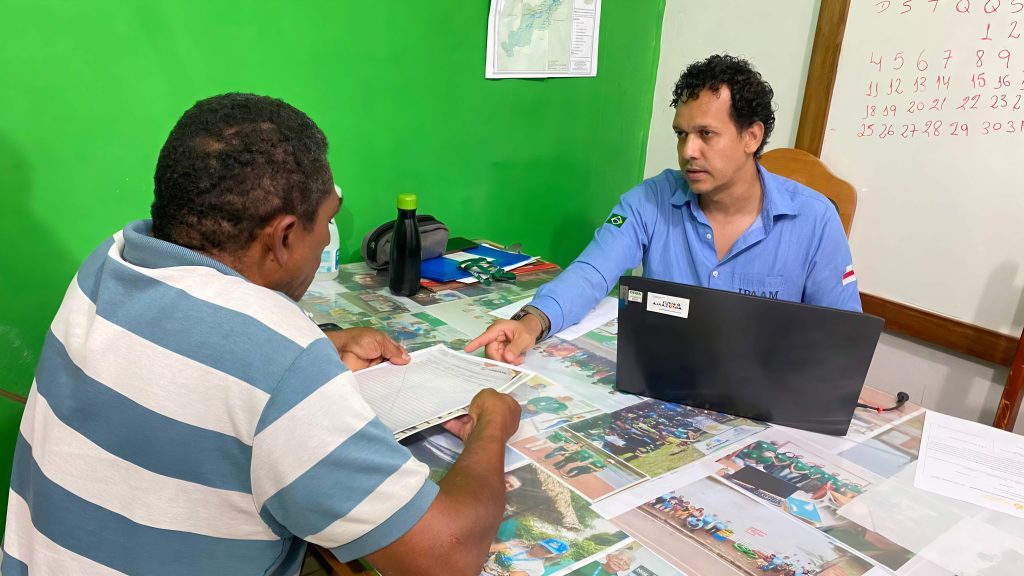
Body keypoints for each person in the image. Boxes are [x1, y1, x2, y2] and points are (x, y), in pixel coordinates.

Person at [1, 93, 521, 576]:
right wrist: (492, 424)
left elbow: (198, 352)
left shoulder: (112, 260)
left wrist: (313, 346)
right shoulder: (276, 356)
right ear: (285, 236)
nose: (323, 245)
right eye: (326, 223)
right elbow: (445, 556)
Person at [466, 54, 862, 365]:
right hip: (661, 387)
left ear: (751, 136)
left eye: (706, 134)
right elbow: (591, 272)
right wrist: (531, 324)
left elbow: (842, 340)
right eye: (681, 134)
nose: (688, 151)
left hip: (763, 398)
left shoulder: (814, 220)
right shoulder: (649, 201)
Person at [486, 538, 570, 576]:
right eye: (541, 546)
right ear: (538, 543)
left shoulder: (538, 569)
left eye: (548, 551)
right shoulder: (518, 543)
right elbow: (491, 548)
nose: (541, 551)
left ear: (553, 556)